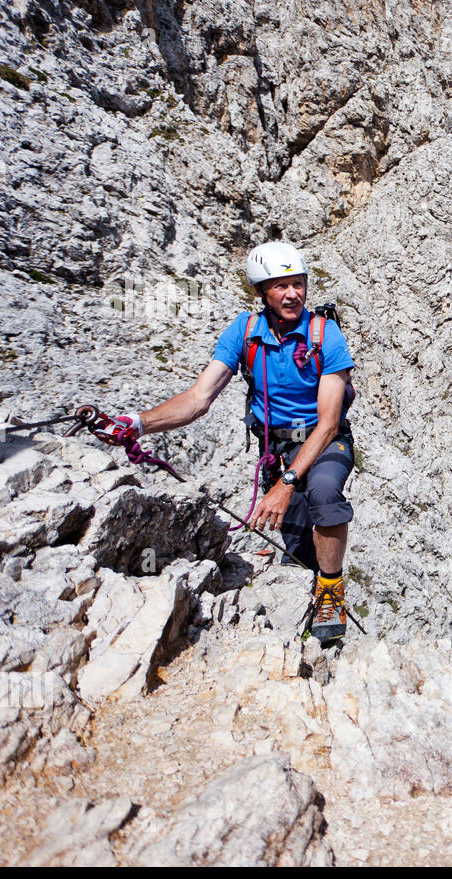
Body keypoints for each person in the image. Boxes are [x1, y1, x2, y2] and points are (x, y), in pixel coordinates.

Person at [101, 241, 356, 642]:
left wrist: (285, 485)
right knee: (297, 549)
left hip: (325, 443)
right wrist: (136, 424)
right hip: (277, 448)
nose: (293, 294)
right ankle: (313, 634)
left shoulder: (326, 335)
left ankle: (331, 591)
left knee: (324, 493)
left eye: (299, 284)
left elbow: (327, 424)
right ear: (262, 292)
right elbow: (198, 400)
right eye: (281, 286)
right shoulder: (245, 333)